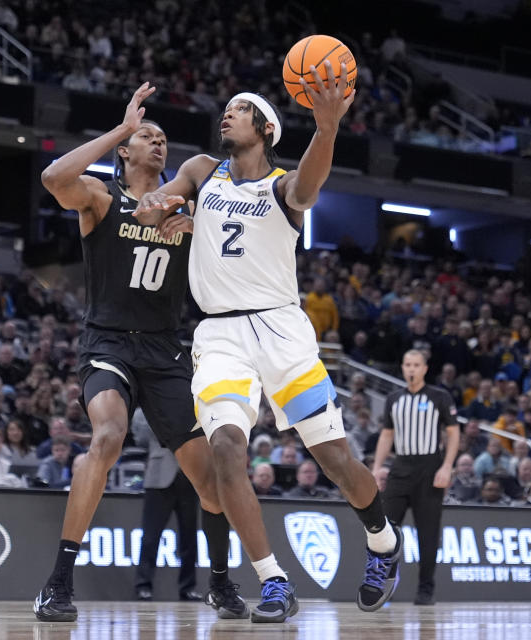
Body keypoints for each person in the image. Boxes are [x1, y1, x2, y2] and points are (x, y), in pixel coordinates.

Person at [134, 62, 401, 621]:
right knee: (227, 448)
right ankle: (272, 580)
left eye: (239, 109)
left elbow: (308, 185)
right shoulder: (204, 171)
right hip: (220, 333)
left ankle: (382, 543)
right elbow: (165, 197)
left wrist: (326, 129)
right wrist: (161, 206)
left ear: (266, 129)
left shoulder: (282, 188)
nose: (226, 114)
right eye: (226, 109)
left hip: (282, 331)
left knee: (333, 458)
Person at [33, 83, 244, 622]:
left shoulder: (187, 205)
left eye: (162, 137)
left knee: (208, 475)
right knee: (108, 434)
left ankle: (219, 583)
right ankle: (58, 581)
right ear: (125, 150)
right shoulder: (101, 199)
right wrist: (122, 128)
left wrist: (198, 225)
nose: (158, 142)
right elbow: (53, 178)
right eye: (147, 136)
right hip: (107, 341)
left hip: (165, 350)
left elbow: (237, 257)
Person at [373, 349, 460, 606]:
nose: (411, 369)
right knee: (386, 530)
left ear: (424, 368)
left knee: (428, 533)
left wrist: (446, 467)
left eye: (416, 365)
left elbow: (453, 433)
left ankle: (425, 589)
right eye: (407, 364)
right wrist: (377, 467)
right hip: (400, 468)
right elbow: (387, 435)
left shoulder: (439, 397)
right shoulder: (393, 399)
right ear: (402, 367)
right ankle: (381, 583)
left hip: (429, 469)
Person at [132, 414, 201, 602]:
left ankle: (188, 587)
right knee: (150, 537)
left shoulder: (192, 406)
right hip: (159, 476)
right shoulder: (147, 409)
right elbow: (141, 439)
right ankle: (143, 585)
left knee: (189, 538)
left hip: (190, 476)